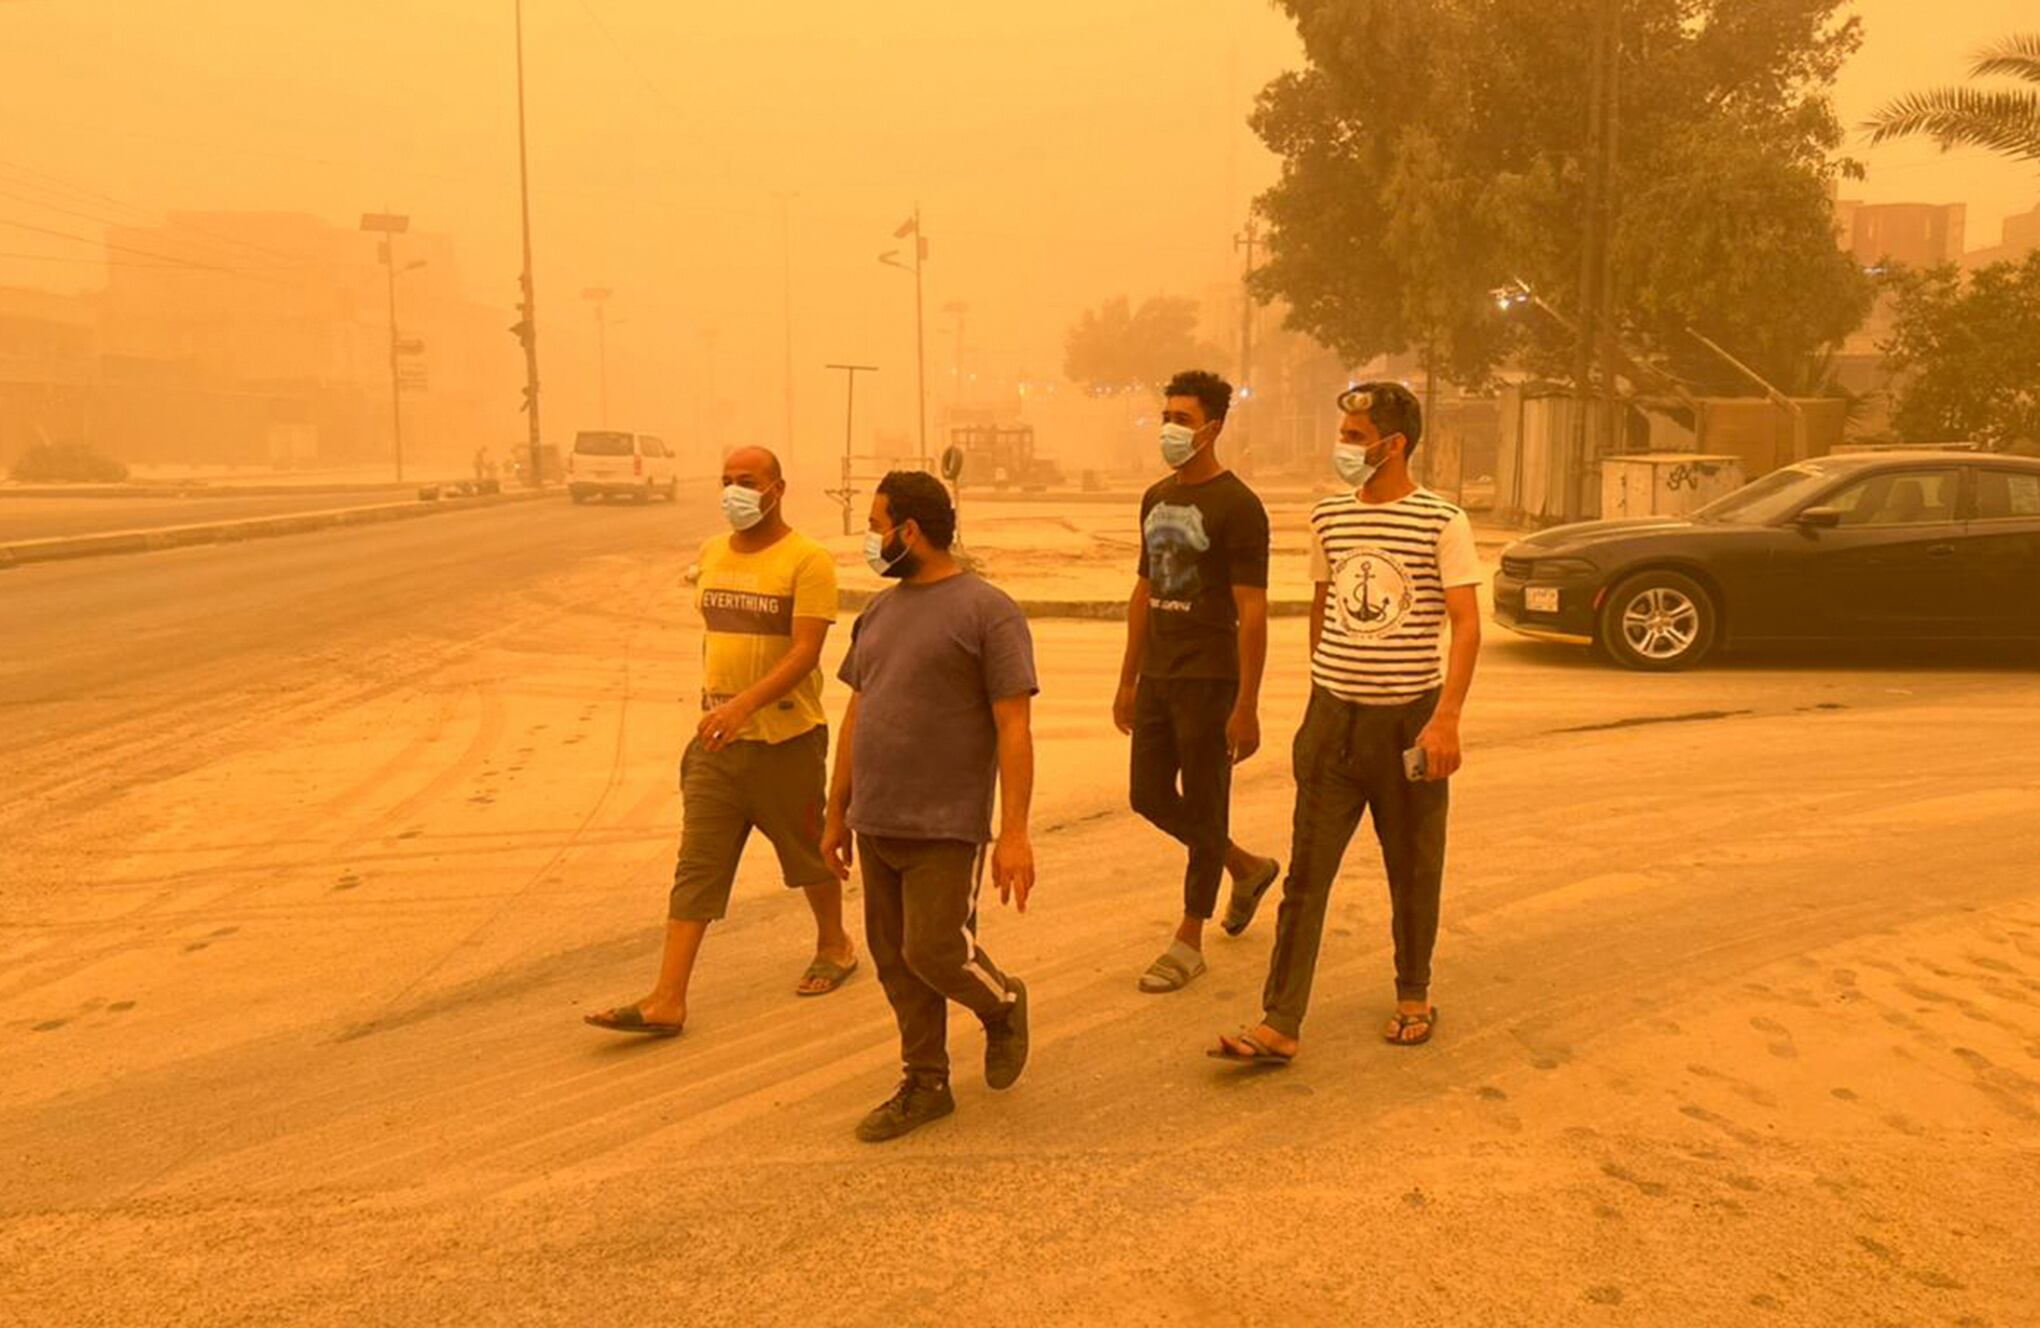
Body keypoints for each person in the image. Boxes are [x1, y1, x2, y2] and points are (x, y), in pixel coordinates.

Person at [1213, 382, 1481, 1065]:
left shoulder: (1442, 522)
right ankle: (1280, 1022)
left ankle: (1414, 994)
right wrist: (1319, 689)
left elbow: (1467, 623)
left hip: (1409, 722)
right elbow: (1324, 603)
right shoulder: (1330, 518)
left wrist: (1445, 719)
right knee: (1307, 874)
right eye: (1346, 436)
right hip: (1333, 719)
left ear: (1395, 445)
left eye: (1357, 439)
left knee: (1413, 865)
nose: (1345, 449)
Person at [584, 446, 858, 1039]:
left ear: (777, 489)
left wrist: (746, 704)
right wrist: (722, 709)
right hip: (717, 742)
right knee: (697, 866)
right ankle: (667, 999)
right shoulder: (711, 553)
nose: (735, 491)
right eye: (727, 480)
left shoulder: (806, 560)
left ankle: (835, 946)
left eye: (748, 481)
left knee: (806, 853)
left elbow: (806, 651)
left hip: (785, 738)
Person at [822, 470, 1037, 1143]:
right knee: (894, 959)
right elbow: (858, 712)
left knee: (936, 951)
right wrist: (836, 812)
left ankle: (1002, 1004)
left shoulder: (987, 611)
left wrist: (1015, 833)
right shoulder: (879, 612)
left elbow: (1014, 727)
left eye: (877, 524)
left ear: (909, 531)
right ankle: (926, 1082)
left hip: (946, 825)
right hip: (875, 818)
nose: (871, 539)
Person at [1114, 369, 1280, 995]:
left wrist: (1248, 703)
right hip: (1158, 673)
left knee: (1208, 803)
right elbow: (1145, 588)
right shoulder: (1156, 497)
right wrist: (1127, 678)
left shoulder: (1239, 506)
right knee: (1148, 795)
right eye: (1166, 417)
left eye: (1182, 420)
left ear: (1212, 428)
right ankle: (1245, 865)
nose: (1170, 429)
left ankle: (1190, 936)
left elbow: (1254, 608)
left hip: (1211, 678)